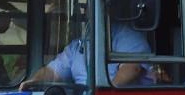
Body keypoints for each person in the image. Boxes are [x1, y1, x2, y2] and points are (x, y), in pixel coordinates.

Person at [22, 21, 156, 88]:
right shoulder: (79, 45)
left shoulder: (126, 37)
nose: (89, 13)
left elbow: (131, 70)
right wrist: (35, 80)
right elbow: (52, 71)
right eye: (87, 7)